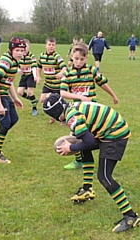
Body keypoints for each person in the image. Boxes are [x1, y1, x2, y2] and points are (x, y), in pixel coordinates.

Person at [43, 93, 140, 233]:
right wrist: (73, 141)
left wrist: (70, 147)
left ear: (55, 113)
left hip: (115, 134)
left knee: (104, 176)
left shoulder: (72, 117)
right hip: (109, 129)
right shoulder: (71, 108)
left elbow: (90, 141)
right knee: (82, 148)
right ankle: (87, 190)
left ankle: (131, 216)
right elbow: (82, 135)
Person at [61, 42, 119, 170]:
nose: (78, 62)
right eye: (76, 59)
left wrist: (113, 95)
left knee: (91, 136)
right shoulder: (68, 73)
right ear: (72, 57)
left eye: (82, 59)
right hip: (76, 112)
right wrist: (80, 97)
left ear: (86, 58)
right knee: (75, 135)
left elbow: (102, 83)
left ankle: (99, 158)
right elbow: (63, 92)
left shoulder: (92, 70)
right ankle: (79, 160)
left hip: (92, 112)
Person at [0, 36, 26, 163]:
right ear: (11, 49)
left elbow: (9, 81)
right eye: (17, 50)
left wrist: (15, 98)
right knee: (5, 122)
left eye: (22, 50)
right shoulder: (6, 61)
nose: (20, 53)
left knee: (14, 119)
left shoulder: (15, 61)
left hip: (3, 93)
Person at [36, 36, 67, 124]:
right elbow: (39, 67)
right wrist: (38, 76)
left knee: (59, 104)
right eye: (49, 44)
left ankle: (64, 119)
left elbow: (64, 67)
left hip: (57, 85)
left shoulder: (57, 56)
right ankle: (53, 116)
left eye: (53, 45)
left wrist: (61, 73)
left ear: (55, 46)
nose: (51, 46)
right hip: (47, 83)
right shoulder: (42, 56)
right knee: (42, 100)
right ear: (46, 45)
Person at [17, 39, 39, 116]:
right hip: (24, 76)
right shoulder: (19, 56)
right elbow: (16, 64)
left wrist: (35, 76)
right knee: (20, 92)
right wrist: (18, 69)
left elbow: (34, 66)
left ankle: (34, 109)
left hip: (31, 75)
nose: (25, 48)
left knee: (30, 91)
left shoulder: (31, 56)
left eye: (26, 46)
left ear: (29, 47)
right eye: (23, 46)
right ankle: (33, 100)